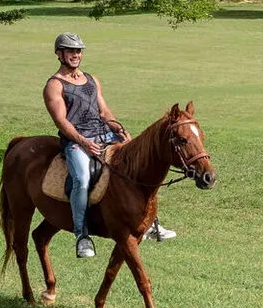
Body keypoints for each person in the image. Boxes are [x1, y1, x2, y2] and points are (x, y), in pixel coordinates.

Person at [43, 32, 175, 259]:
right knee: (82, 179)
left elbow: (104, 111)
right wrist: (83, 142)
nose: (76, 55)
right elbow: (61, 121)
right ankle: (81, 235)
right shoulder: (54, 85)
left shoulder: (91, 80)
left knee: (138, 165)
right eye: (71, 51)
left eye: (79, 51)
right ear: (59, 54)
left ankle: (151, 223)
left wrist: (118, 128)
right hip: (76, 142)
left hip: (104, 135)